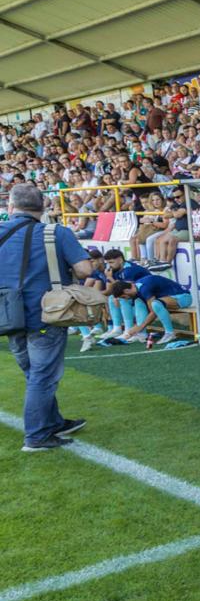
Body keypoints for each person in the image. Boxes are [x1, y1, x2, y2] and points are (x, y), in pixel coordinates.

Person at [0, 183, 91, 452]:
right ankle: (37, 436)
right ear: (44, 207)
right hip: (46, 314)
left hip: (7, 314)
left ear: (11, 207)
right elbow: (84, 269)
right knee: (42, 376)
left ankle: (53, 421)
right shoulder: (56, 232)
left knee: (35, 374)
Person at [109, 274, 192, 344]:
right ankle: (141, 334)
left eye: (124, 297)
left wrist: (139, 327)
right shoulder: (136, 287)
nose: (126, 299)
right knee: (139, 302)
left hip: (184, 297)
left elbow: (153, 312)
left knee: (155, 304)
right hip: (170, 299)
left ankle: (170, 333)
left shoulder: (144, 288)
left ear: (126, 290)